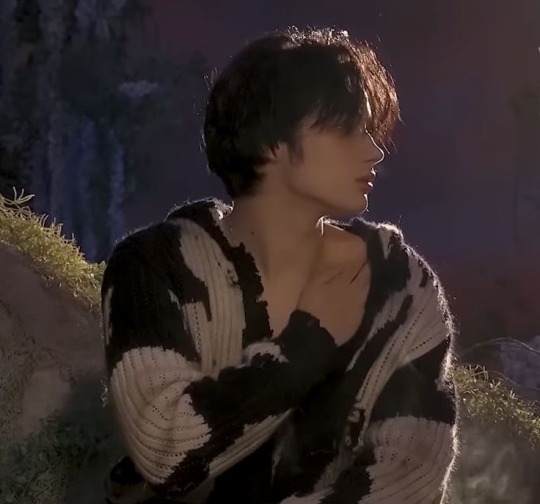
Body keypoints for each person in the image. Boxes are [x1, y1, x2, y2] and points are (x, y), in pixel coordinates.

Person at [101, 26, 459, 504]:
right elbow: (162, 449)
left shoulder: (401, 286)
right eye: (347, 128)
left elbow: (412, 473)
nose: (374, 150)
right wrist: (309, 340)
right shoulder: (156, 268)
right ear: (271, 142)